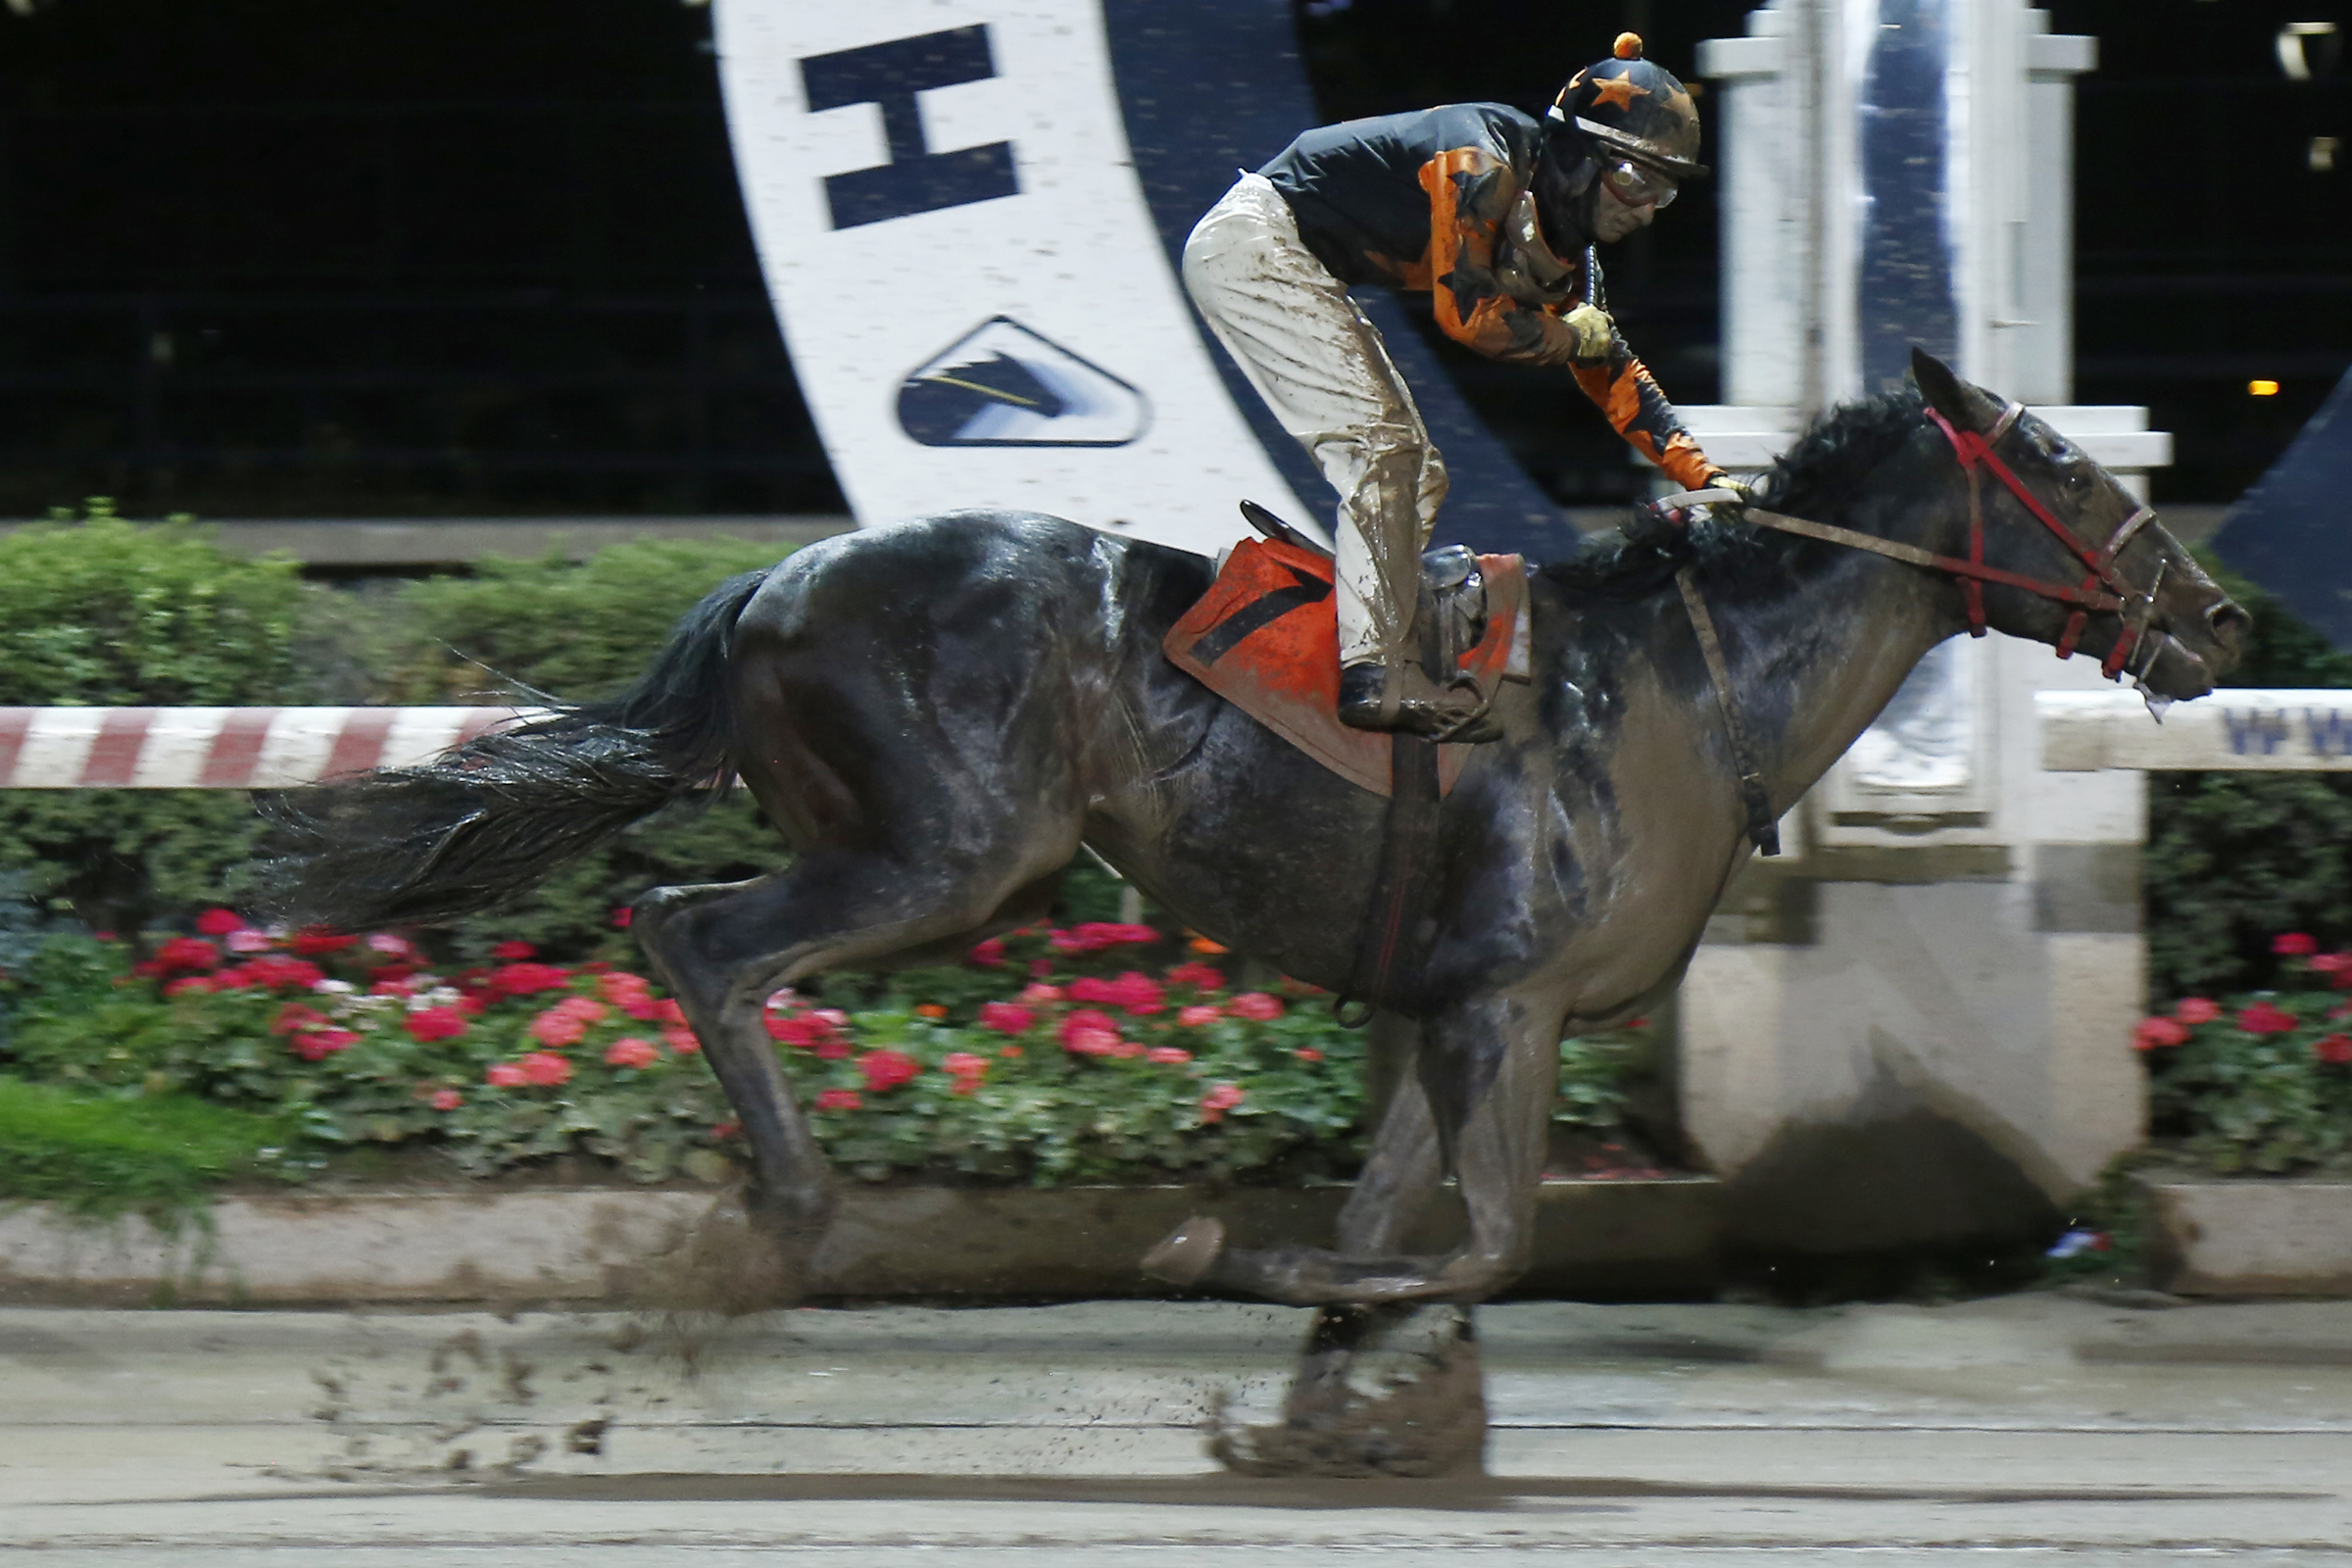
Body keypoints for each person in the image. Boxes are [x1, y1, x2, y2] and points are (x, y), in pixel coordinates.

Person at [1184, 32, 1742, 740]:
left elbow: (1612, 373)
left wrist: (1707, 479)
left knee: (1421, 476)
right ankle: (1371, 672)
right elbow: (1470, 317)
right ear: (1577, 156)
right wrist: (1574, 337)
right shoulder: (1481, 161)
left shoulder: (1566, 252)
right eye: (1636, 179)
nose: (1647, 209)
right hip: (1253, 242)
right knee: (1384, 453)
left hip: (1296, 257)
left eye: (1665, 191)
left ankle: (1365, 627)